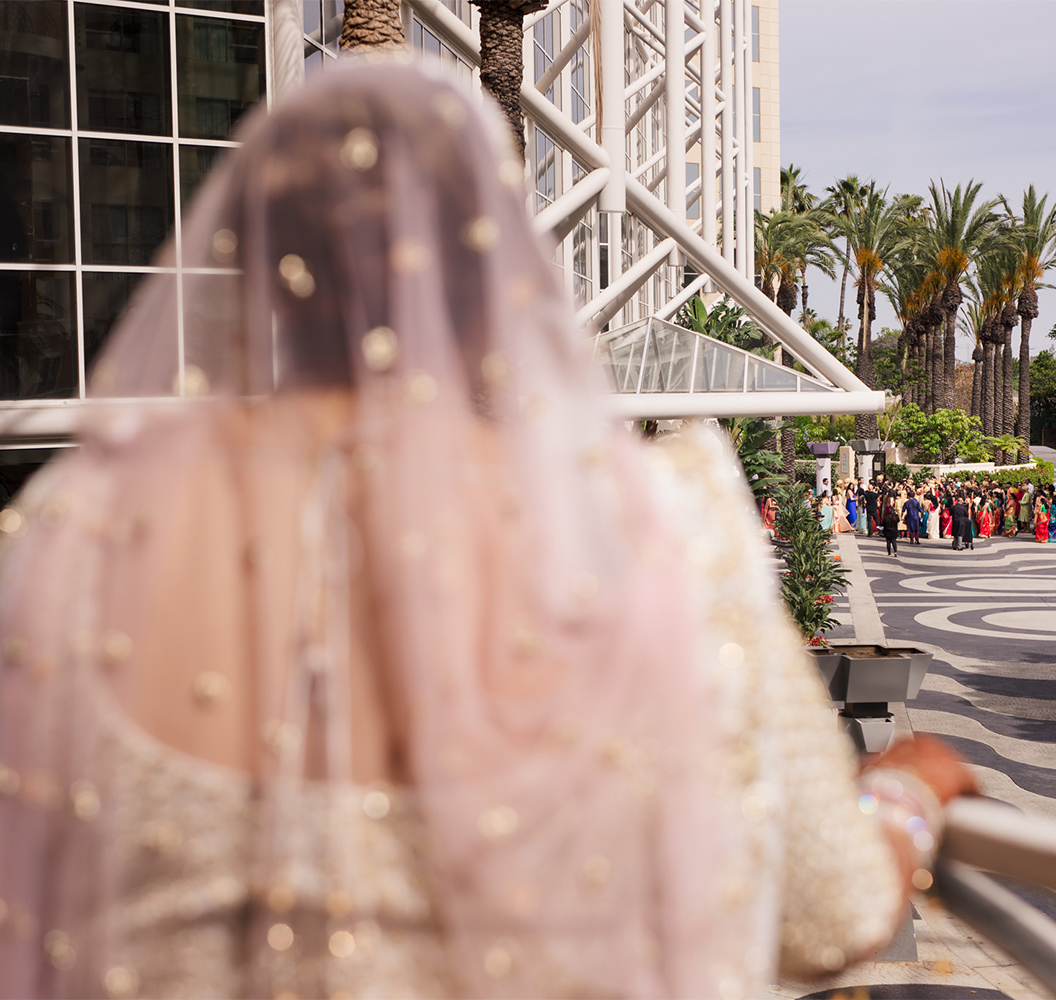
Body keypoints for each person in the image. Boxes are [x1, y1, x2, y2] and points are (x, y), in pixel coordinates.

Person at [0, 61, 975, 1000]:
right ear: (495, 278)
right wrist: (905, 793)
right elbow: (831, 912)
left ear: (250, 273)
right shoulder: (665, 527)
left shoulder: (71, 533)